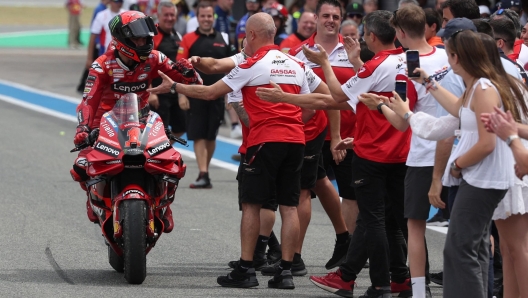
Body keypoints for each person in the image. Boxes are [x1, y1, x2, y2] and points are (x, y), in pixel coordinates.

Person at [148, 12, 317, 290]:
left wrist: (175, 86)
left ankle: (246, 269)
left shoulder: (252, 64)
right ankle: (285, 272)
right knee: (289, 207)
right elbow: (314, 105)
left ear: (250, 35)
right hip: (296, 140)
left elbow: (211, 92)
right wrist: (292, 123)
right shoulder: (296, 63)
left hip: (264, 141)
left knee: (251, 204)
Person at [258, 10, 416, 298]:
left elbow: (338, 96)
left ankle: (375, 283)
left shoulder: (375, 65)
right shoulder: (409, 59)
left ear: (371, 36)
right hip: (400, 149)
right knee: (393, 222)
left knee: (374, 221)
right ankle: (402, 279)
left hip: (377, 154)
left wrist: (323, 66)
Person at [70, 11, 202, 234]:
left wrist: (187, 71)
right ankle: (92, 196)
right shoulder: (102, 65)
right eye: (137, 39)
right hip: (104, 126)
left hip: (142, 121)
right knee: (81, 167)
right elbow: (87, 101)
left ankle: (164, 206)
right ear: (121, 39)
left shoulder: (155, 58)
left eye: (145, 38)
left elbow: (195, 81)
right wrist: (83, 128)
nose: (143, 43)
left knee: (174, 163)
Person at [411, 29, 515, 298]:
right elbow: (458, 109)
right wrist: (429, 83)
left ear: (459, 57)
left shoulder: (483, 88)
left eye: (450, 54)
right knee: (473, 246)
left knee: (460, 248)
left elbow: (487, 142)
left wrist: (456, 165)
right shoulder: (477, 85)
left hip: (482, 177)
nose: (447, 60)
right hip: (481, 176)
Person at [358, 5, 450, 297]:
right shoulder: (448, 54)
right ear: (426, 25)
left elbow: (400, 122)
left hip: (423, 153)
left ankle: (420, 291)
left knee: (414, 226)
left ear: (399, 32)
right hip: (458, 148)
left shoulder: (407, 69)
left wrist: (379, 105)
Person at [286, 0, 353, 273]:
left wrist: (337, 135)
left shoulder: (353, 51)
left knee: (349, 195)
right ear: (315, 17)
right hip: (310, 133)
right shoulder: (298, 52)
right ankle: (298, 253)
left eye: (335, 16)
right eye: (326, 15)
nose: (331, 20)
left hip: (346, 135)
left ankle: (347, 247)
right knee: (311, 186)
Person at [176, 1, 236, 189]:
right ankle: (203, 173)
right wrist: (182, 94)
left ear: (213, 17)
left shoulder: (224, 38)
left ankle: (206, 170)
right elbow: (180, 67)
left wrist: (231, 95)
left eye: (209, 16)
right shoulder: (188, 39)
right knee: (199, 135)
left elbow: (233, 68)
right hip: (196, 94)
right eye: (203, 16)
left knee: (211, 135)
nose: (206, 19)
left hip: (218, 93)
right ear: (197, 17)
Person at [149, 0, 187, 139]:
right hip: (158, 93)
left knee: (182, 127)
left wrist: (183, 93)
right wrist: (150, 92)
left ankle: (160, 153)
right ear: (158, 15)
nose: (170, 18)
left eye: (172, 15)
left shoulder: (177, 36)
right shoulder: (152, 37)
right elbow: (144, 66)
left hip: (174, 91)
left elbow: (180, 64)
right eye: (166, 15)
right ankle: (152, 157)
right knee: (157, 132)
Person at [76, 0, 110, 94]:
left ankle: (84, 85)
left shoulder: (103, 8)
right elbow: (96, 27)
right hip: (98, 42)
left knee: (94, 66)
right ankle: (83, 85)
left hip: (98, 41)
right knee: (93, 65)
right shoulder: (100, 9)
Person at [86, 0, 126, 71]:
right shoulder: (101, 15)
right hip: (105, 55)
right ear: (110, 2)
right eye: (117, 1)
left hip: (122, 56)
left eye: (121, 1)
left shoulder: (126, 14)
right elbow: (92, 38)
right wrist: (89, 58)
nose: (119, 4)